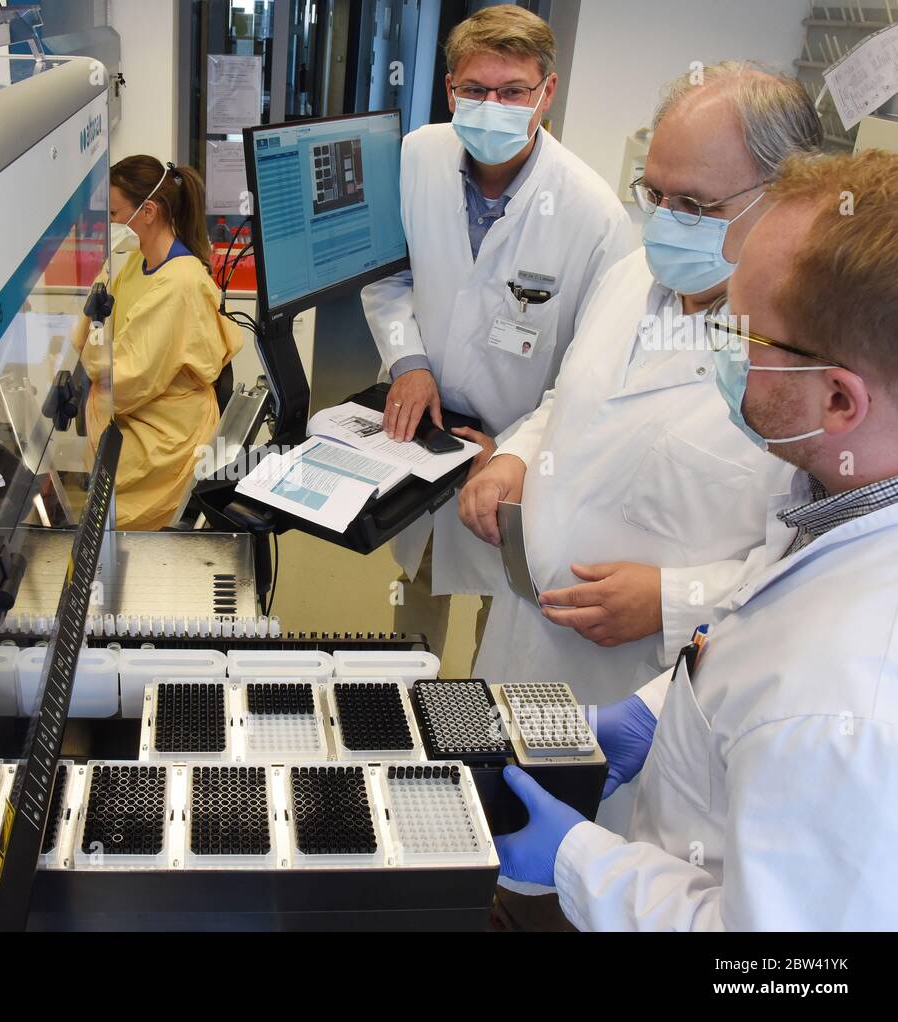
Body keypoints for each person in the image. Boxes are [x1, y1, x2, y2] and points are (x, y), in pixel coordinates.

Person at [496, 149, 898, 930]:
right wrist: (660, 709)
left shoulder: (848, 702)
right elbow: (762, 617)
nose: (715, 348)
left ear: (840, 399)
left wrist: (578, 861)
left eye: (739, 335)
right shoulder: (835, 495)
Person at [459, 64, 822, 839]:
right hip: (526, 648)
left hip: (646, 698)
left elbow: (809, 577)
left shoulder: (808, 362)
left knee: (600, 888)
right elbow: (566, 399)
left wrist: (674, 603)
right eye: (655, 194)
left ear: (785, 200)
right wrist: (516, 456)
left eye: (694, 205)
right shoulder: (635, 275)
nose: (665, 220)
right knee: (488, 848)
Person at [360, 5, 634, 657]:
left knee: (504, 621)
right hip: (424, 441)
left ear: (547, 92)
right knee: (416, 595)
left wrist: (514, 455)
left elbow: (594, 372)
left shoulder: (593, 216)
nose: (493, 105)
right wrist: (408, 360)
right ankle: (406, 726)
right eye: (475, 90)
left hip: (521, 464)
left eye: (513, 92)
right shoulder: (414, 158)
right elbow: (386, 277)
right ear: (449, 88)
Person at [74, 156, 242, 530]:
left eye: (115, 214)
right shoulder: (134, 263)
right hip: (142, 411)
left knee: (110, 503)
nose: (111, 225)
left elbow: (124, 381)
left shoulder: (180, 283)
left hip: (168, 438)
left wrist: (97, 353)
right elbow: (87, 335)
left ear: (147, 211)